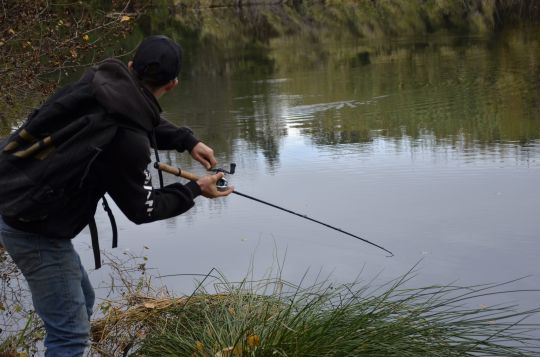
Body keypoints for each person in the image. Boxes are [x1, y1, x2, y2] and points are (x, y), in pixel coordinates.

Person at [0, 35, 234, 355]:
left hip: (19, 197)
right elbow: (143, 209)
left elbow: (137, 116)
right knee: (69, 334)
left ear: (130, 66)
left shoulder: (97, 84)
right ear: (173, 84)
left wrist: (186, 141)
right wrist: (195, 189)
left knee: (83, 302)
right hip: (34, 229)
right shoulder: (127, 140)